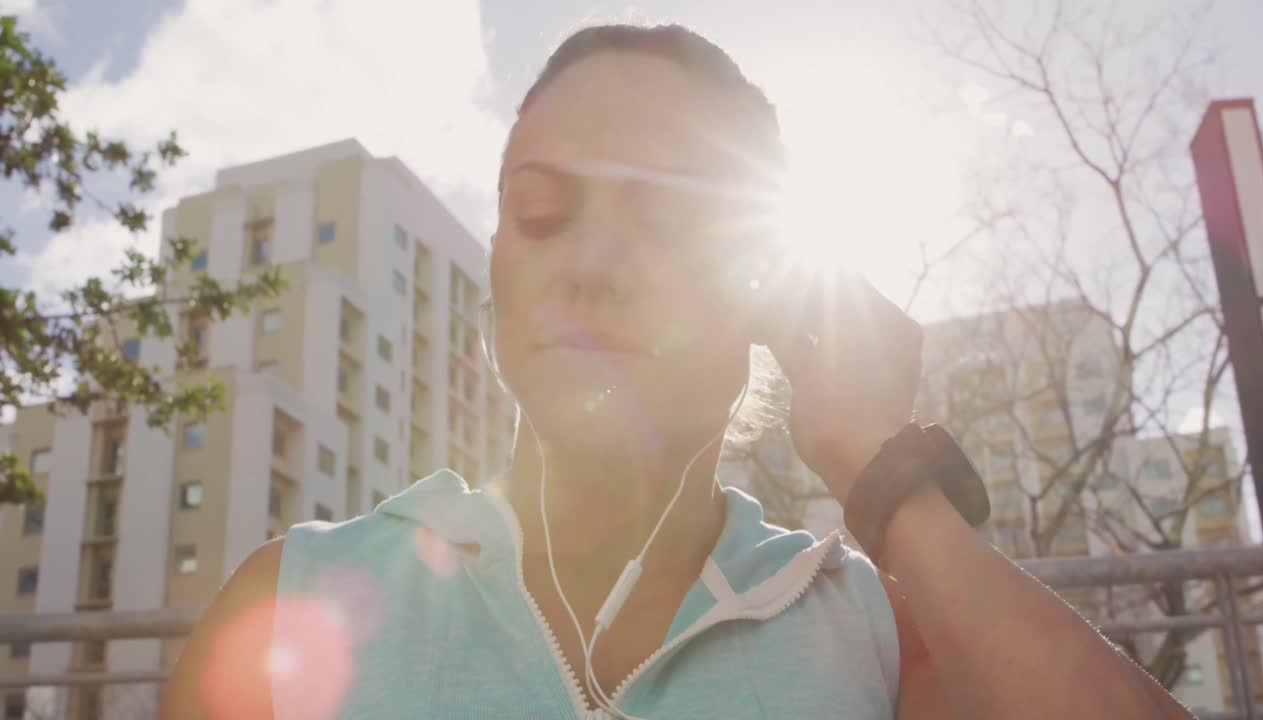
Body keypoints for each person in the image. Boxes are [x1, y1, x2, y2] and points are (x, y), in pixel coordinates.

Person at [159, 23, 1193, 720]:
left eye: (668, 221)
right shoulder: (290, 601)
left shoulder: (872, 635)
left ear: (768, 298)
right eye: (540, 212)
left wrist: (879, 472)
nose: (594, 264)